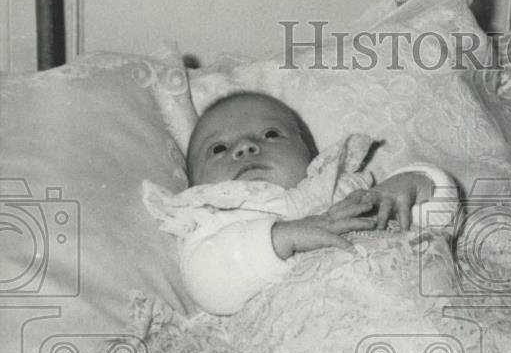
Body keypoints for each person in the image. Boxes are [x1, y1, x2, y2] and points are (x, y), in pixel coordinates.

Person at [143, 90, 459, 314]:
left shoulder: (346, 190)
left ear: (311, 155)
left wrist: (416, 184)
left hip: (416, 315)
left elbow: (441, 229)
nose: (245, 146)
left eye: (270, 134)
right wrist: (282, 238)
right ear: (195, 185)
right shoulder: (214, 220)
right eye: (217, 149)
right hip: (314, 342)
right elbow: (208, 285)